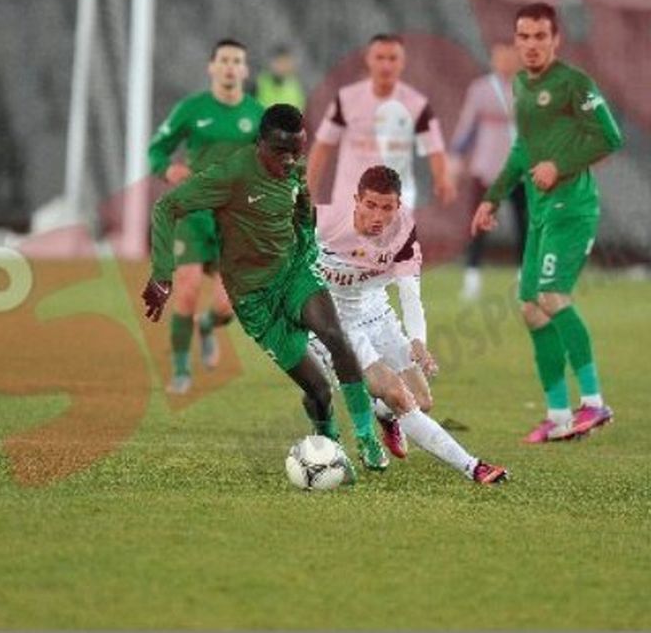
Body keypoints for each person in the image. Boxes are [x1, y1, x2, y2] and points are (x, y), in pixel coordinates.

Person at [142, 104, 389, 474]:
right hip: (255, 301)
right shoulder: (231, 175)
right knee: (319, 392)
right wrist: (163, 274)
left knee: (334, 335)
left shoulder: (296, 168)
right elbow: (167, 207)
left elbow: (304, 208)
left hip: (294, 275)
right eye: (280, 151)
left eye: (297, 150)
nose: (290, 160)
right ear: (259, 144)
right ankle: (330, 444)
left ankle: (368, 439)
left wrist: (306, 251)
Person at [471, 2, 624, 444]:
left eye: (541, 36)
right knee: (531, 308)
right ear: (515, 42)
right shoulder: (520, 83)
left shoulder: (575, 84)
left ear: (556, 40)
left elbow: (610, 137)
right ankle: (558, 415)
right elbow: (523, 151)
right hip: (540, 211)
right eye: (524, 36)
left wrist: (560, 165)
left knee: (552, 296)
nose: (532, 45)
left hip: (572, 209)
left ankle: (594, 403)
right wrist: (493, 197)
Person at [310, 165, 509, 483]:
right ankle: (474, 467)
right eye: (370, 205)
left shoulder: (402, 232)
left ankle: (385, 414)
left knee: (423, 401)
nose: (378, 216)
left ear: (398, 206)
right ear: (356, 200)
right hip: (338, 324)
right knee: (397, 394)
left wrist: (417, 340)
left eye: (387, 207)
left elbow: (410, 293)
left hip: (379, 314)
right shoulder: (325, 219)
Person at [147, 39, 264, 394]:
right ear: (212, 67)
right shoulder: (191, 108)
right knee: (187, 288)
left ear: (244, 70)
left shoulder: (257, 115)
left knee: (229, 306)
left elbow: (271, 163)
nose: (230, 67)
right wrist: (168, 170)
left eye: (237, 61)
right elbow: (157, 149)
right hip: (195, 212)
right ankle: (181, 370)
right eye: (224, 60)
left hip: (235, 217)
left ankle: (208, 325)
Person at [307, 33, 455, 214]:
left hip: (394, 204)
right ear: (369, 60)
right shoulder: (347, 99)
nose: (386, 65)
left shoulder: (416, 104)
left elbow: (435, 149)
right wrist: (309, 191)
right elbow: (322, 146)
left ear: (402, 63)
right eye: (380, 58)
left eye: (393, 59)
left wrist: (442, 179)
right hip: (350, 201)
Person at [451, 42, 527, 301]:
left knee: (525, 225)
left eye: (510, 57)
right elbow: (467, 126)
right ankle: (472, 278)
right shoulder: (481, 89)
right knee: (480, 223)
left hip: (520, 169)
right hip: (487, 167)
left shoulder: (530, 88)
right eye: (500, 57)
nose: (505, 62)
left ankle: (524, 280)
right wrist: (457, 158)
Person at [254, 44, 305, 111]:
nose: (282, 67)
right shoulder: (260, 83)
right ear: (272, 63)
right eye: (279, 62)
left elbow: (301, 113)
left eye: (285, 62)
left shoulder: (296, 88)